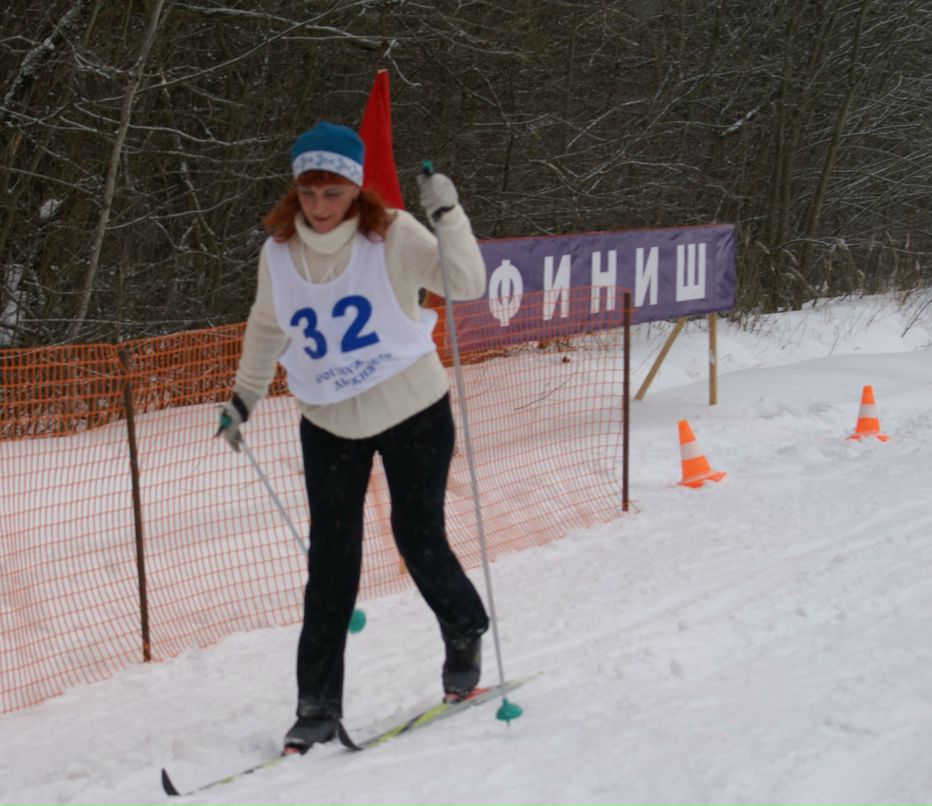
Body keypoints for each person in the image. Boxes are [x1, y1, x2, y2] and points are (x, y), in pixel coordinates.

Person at [216, 121, 490, 754]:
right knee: (331, 563)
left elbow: (467, 282)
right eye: (308, 192)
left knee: (417, 535)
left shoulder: (393, 234)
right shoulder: (278, 252)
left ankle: (464, 627)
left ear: (356, 188)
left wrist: (448, 215)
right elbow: (266, 325)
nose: (319, 206)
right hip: (329, 422)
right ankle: (315, 706)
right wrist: (243, 397)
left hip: (413, 407)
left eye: (333, 192)